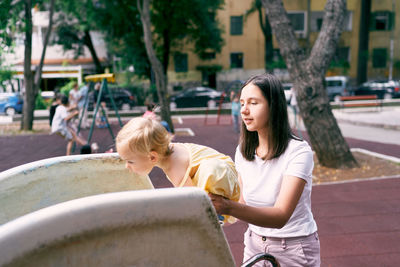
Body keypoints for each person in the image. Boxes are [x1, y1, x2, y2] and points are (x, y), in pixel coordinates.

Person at [209, 74, 320, 266]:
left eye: (253, 103)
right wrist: (210, 210)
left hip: (294, 248)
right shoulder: (243, 152)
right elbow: (242, 203)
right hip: (254, 244)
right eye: (242, 103)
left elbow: (280, 216)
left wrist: (227, 206)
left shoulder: (299, 152)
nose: (244, 110)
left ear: (273, 106)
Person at [115, 117, 240, 223]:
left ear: (153, 157)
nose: (127, 166)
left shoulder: (175, 167)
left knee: (210, 172)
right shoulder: (166, 152)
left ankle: (214, 214)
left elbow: (190, 200)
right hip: (223, 177)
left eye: (130, 161)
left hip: (227, 183)